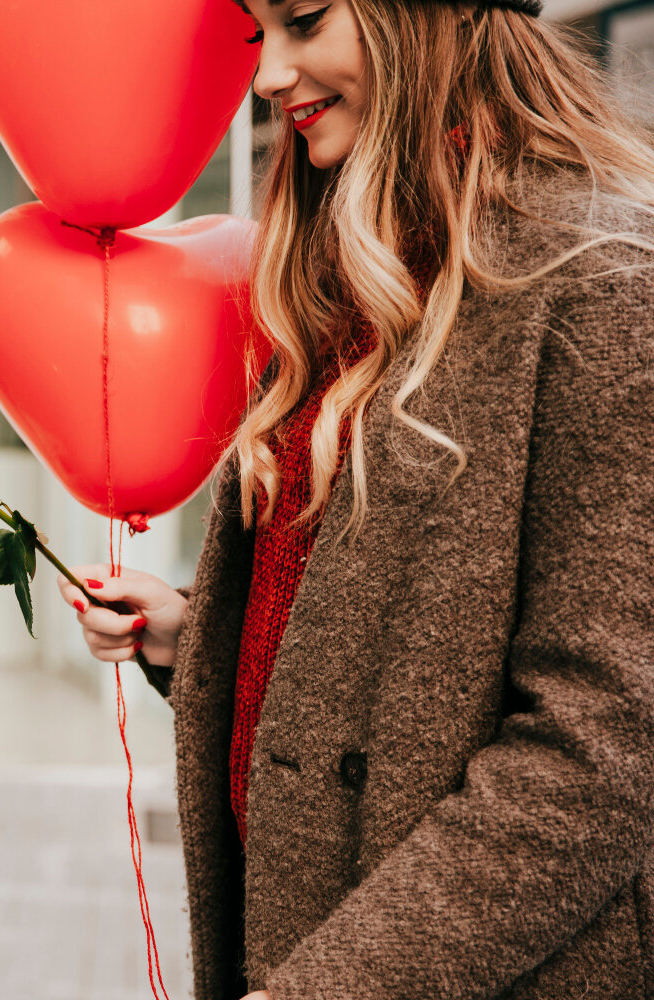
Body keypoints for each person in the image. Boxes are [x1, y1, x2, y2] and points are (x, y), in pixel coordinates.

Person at [57, 0, 654, 996]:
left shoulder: (602, 281)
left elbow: (597, 753)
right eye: (259, 34)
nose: (266, 76)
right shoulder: (350, 260)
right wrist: (202, 642)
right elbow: (390, 636)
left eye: (304, 19)